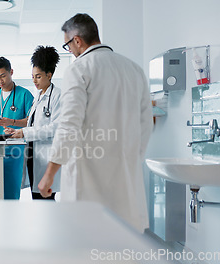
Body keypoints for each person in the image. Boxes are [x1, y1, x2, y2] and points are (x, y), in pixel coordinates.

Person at [38, 14, 153, 233]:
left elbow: (69, 124)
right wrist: (131, 159)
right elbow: (146, 124)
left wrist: (50, 173)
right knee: (123, 245)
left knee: (88, 243)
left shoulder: (79, 69)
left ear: (77, 40)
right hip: (125, 180)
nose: (69, 50)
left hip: (88, 181)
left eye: (67, 45)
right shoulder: (134, 70)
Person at [4, 46, 61, 200]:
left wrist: (25, 132)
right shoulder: (39, 96)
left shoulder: (57, 96)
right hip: (33, 155)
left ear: (49, 75)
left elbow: (55, 128)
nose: (34, 81)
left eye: (38, 76)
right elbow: (33, 124)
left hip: (46, 157)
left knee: (45, 201)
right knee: (38, 200)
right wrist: (16, 131)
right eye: (33, 76)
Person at [0, 57, 34, 199]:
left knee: (11, 185)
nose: (0, 81)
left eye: (3, 76)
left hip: (15, 145)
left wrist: (12, 121)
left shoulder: (24, 94)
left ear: (11, 72)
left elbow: (31, 121)